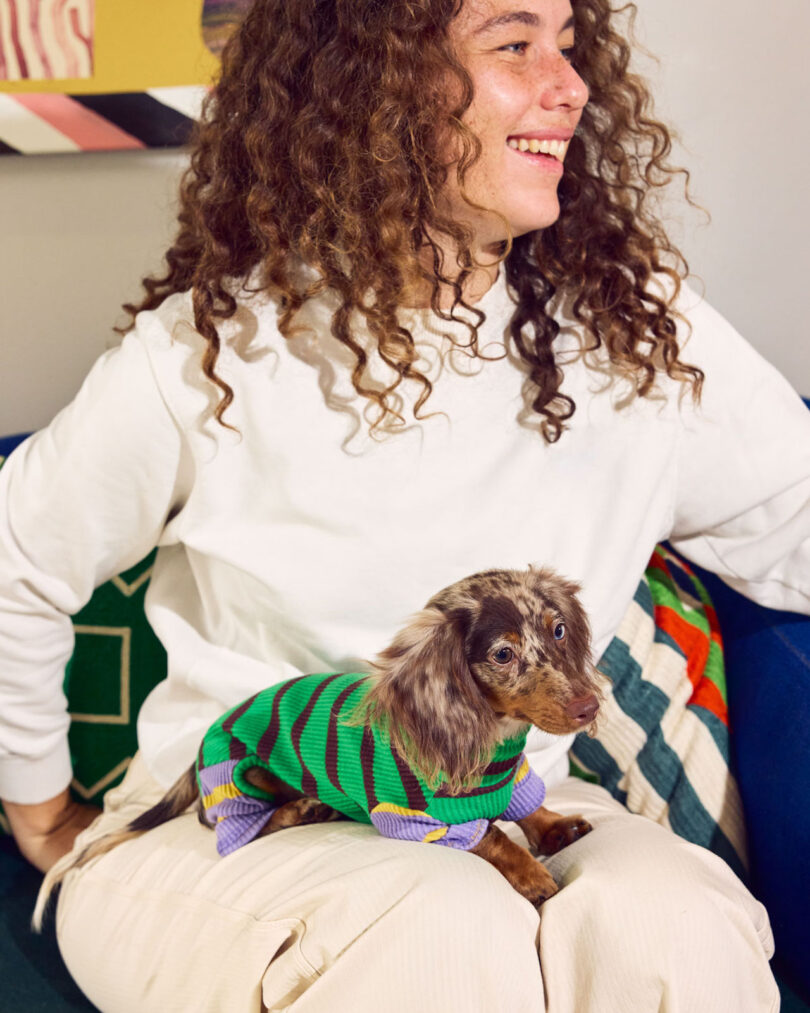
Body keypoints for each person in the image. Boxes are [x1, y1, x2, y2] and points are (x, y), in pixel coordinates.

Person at [1, 0, 808, 1009]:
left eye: (566, 42)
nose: (569, 83)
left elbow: (796, 520)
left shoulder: (634, 336)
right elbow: (12, 561)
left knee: (677, 917)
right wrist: (42, 811)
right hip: (247, 815)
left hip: (498, 803)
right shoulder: (211, 354)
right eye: (514, 44)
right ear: (375, 85)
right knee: (440, 925)